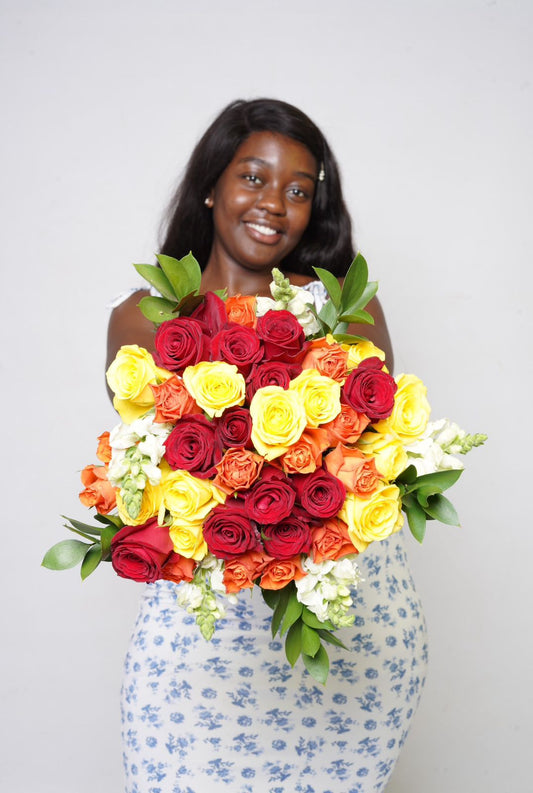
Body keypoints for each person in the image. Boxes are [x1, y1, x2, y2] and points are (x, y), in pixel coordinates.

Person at [108, 99, 427, 793]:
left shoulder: (347, 306)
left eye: (298, 191)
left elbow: (377, 462)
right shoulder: (146, 318)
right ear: (211, 185)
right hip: (205, 632)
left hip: (346, 626)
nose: (273, 204)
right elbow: (149, 480)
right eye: (252, 178)